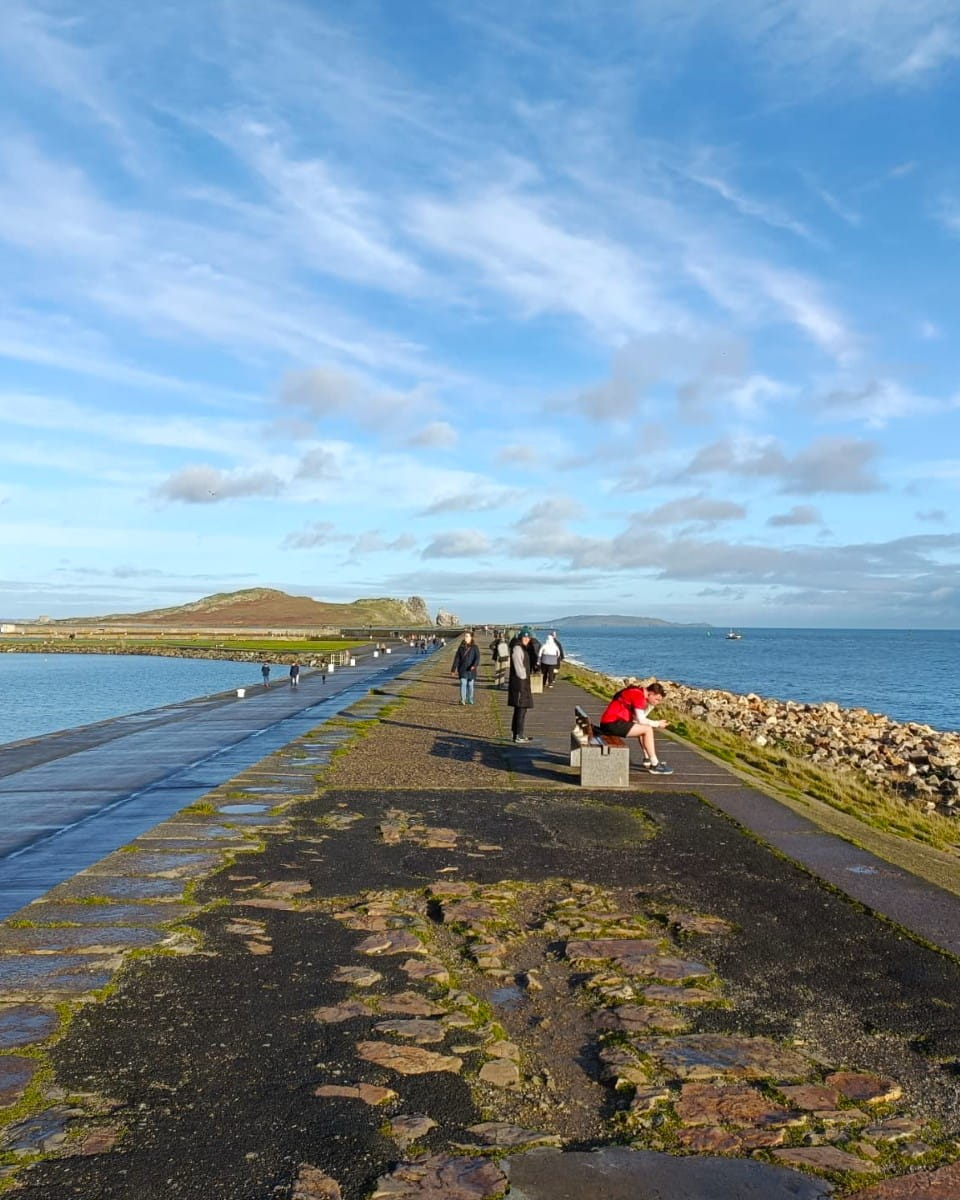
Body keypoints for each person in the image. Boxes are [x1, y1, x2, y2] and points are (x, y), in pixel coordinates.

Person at [598, 680, 673, 774]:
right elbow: (641, 719)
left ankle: (648, 759)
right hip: (612, 724)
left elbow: (638, 719)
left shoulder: (636, 692)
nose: (657, 702)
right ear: (651, 693)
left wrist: (651, 706)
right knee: (647, 729)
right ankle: (655, 764)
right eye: (657, 699)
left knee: (643, 728)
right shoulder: (638, 696)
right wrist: (658, 723)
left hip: (610, 723)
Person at [507, 627, 536, 742]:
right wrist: (523, 676)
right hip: (520, 683)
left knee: (520, 709)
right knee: (521, 709)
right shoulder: (518, 648)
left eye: (528, 637)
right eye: (525, 637)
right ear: (521, 637)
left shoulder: (522, 648)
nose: (527, 639)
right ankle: (518, 735)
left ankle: (517, 733)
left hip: (522, 683)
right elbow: (518, 665)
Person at [450, 630, 480, 705]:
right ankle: (463, 699)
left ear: (471, 637)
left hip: (471, 669)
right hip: (462, 669)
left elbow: (477, 658)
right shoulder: (461, 647)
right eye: (465, 636)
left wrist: (474, 665)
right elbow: (456, 659)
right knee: (463, 683)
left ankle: (470, 698)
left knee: (470, 684)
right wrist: (453, 670)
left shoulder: (475, 647)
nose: (465, 638)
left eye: (467, 636)